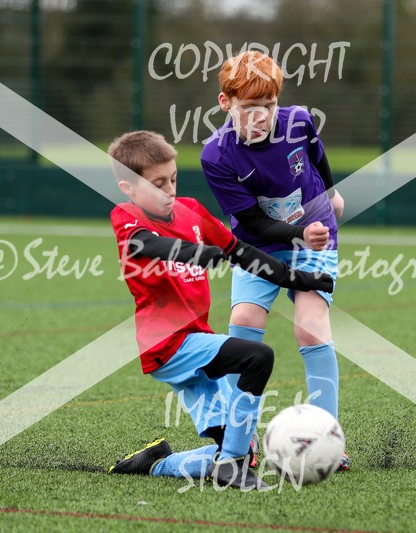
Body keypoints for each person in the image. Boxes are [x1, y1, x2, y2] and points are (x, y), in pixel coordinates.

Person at [106, 130, 333, 490]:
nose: (169, 190)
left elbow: (241, 252)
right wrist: (196, 253)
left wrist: (298, 278)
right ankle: (233, 469)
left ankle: (159, 463)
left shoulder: (191, 212)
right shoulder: (126, 216)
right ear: (128, 188)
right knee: (257, 357)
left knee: (239, 442)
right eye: (158, 184)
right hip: (166, 343)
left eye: (173, 179)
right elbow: (145, 244)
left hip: (194, 338)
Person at [200, 50, 348, 470]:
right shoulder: (216, 155)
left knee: (310, 328)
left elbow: (318, 158)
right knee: (244, 321)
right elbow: (250, 221)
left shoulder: (299, 121)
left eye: (269, 105)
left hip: (315, 239)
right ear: (225, 102)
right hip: (259, 244)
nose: (262, 116)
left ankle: (329, 439)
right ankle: (238, 440)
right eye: (250, 107)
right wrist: (297, 232)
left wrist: (331, 196)